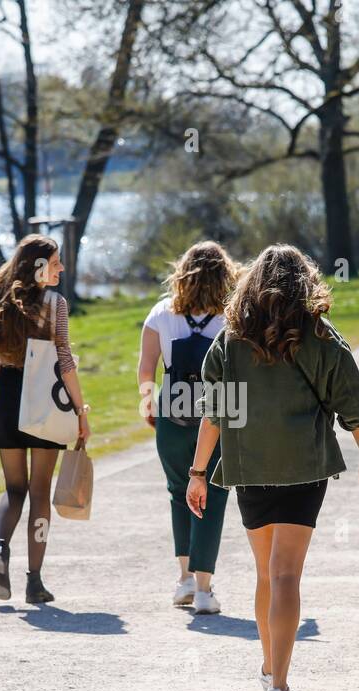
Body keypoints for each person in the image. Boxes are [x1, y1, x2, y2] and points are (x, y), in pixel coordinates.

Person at [187, 244, 359, 691]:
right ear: (306, 283)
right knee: (287, 573)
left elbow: (214, 413)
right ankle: (280, 684)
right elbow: (352, 402)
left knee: (264, 573)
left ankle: (270, 667)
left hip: (249, 469)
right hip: (304, 469)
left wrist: (197, 472)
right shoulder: (320, 336)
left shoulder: (231, 340)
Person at [0, 234, 90, 604]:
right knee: (40, 491)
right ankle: (34, 580)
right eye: (56, 262)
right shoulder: (54, 303)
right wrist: (79, 409)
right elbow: (64, 358)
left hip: (8, 395)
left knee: (14, 489)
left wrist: (9, 390)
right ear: (39, 266)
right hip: (46, 396)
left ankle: (0, 550)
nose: (61, 268)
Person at [137, 242, 235, 615]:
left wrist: (149, 404)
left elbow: (147, 369)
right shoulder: (233, 315)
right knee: (215, 494)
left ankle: (184, 580)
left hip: (173, 406)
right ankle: (206, 590)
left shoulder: (161, 312)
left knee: (179, 492)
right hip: (224, 407)